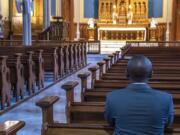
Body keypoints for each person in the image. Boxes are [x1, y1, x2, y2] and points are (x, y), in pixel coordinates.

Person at [105, 55, 174, 135]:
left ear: (126, 73)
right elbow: (167, 123)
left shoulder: (112, 97)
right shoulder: (166, 99)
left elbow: (111, 123)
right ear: (151, 74)